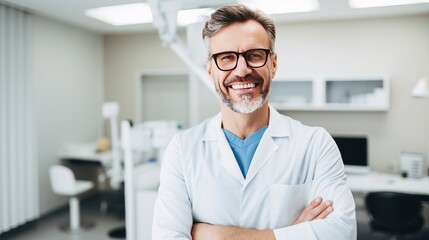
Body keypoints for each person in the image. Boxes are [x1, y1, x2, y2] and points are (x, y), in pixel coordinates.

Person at [152, 4, 356, 240]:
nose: (242, 70)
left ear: (274, 64)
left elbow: (342, 232)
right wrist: (292, 233)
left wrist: (212, 235)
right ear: (209, 70)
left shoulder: (315, 144)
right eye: (226, 58)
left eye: (254, 55)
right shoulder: (182, 149)